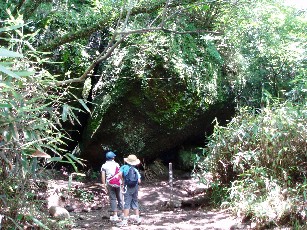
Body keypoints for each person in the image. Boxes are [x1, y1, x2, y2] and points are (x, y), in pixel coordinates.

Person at [117, 154, 142, 227]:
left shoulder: (124, 167)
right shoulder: (135, 170)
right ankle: (138, 218)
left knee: (127, 203)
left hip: (127, 187)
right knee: (135, 201)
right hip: (135, 187)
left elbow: (119, 174)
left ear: (127, 161)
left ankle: (125, 220)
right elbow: (139, 181)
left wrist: (123, 181)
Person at [101, 151, 123, 221]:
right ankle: (122, 213)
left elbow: (103, 176)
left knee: (113, 198)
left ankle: (115, 215)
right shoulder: (116, 164)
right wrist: (122, 182)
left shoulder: (104, 166)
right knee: (120, 198)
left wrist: (104, 185)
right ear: (113, 157)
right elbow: (120, 174)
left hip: (110, 184)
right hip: (117, 183)